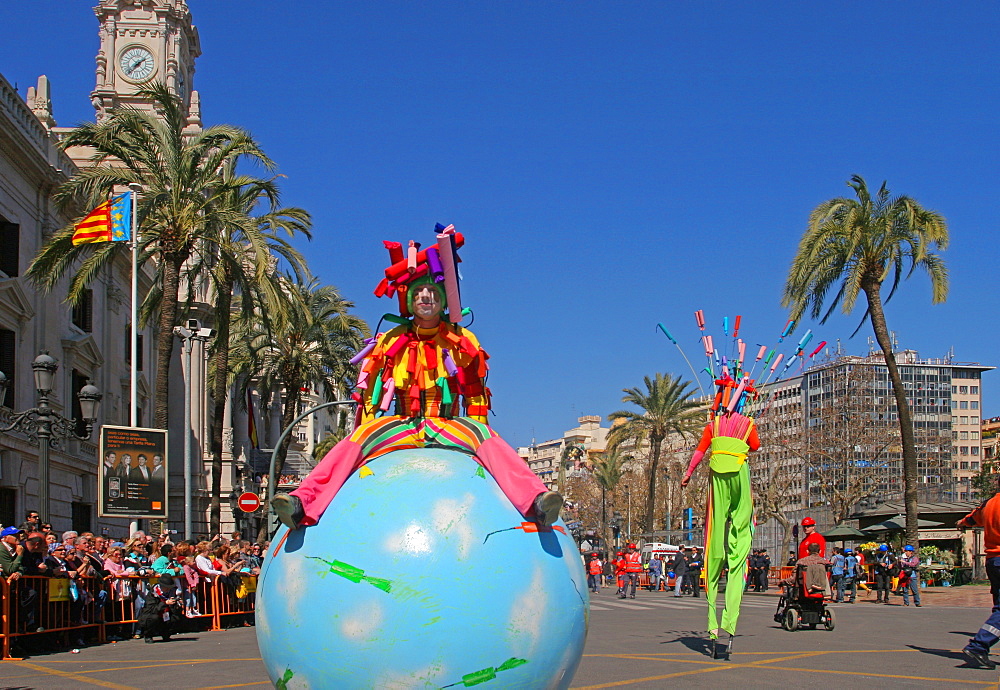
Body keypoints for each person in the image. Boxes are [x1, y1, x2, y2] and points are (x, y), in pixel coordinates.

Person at [271, 228, 561, 530]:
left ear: (444, 300)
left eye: (433, 293)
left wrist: (477, 425)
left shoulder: (461, 339)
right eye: (418, 293)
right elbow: (370, 394)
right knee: (352, 443)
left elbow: (475, 391)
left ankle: (537, 501)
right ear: (408, 301)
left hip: (448, 425)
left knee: (489, 441)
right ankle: (302, 502)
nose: (426, 297)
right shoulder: (389, 341)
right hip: (401, 424)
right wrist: (368, 430)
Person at [681, 376, 760, 642]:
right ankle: (731, 614)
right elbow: (756, 446)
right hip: (739, 473)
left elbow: (699, 452)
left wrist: (688, 473)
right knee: (742, 524)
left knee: (715, 531)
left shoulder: (712, 426)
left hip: (717, 476)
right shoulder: (748, 423)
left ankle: (714, 619)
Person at [958, 481, 1000, 669]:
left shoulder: (989, 504)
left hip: (993, 560)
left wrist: (962, 522)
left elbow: (972, 519)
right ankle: (979, 645)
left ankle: (980, 645)